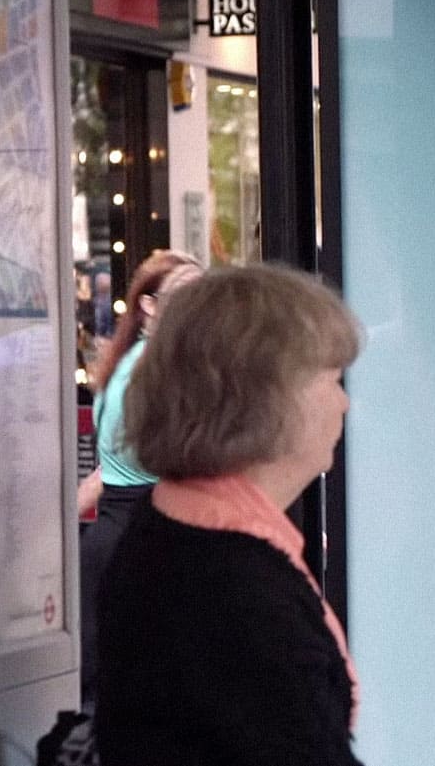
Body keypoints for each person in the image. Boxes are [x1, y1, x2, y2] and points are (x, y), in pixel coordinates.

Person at [94, 263, 363, 765]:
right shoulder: (232, 586)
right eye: (331, 380)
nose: (345, 402)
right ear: (268, 398)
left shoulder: (179, 530)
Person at [76, 249, 202, 708]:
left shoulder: (130, 364)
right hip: (144, 538)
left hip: (115, 536)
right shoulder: (157, 373)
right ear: (150, 306)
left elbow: (106, 475)